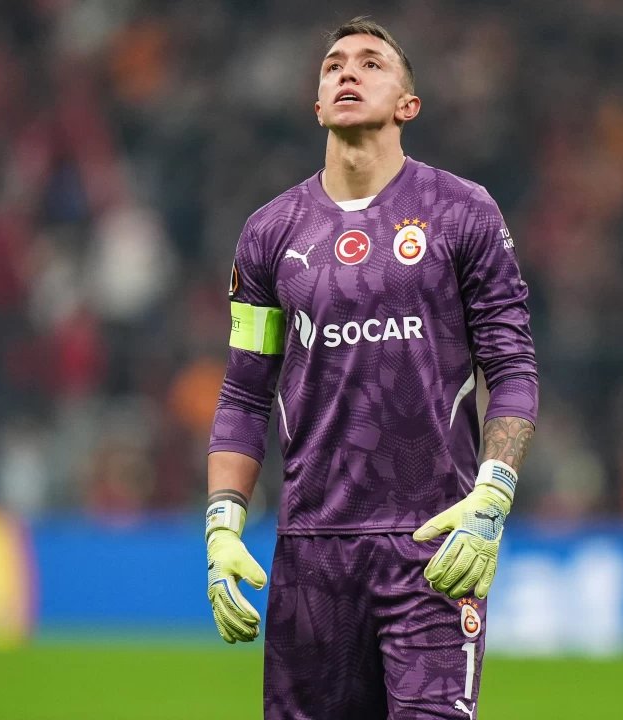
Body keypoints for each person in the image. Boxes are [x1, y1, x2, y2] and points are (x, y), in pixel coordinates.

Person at [203, 17, 538, 719]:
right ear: (317, 105)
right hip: (311, 554)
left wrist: (493, 496)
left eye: (370, 63)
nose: (347, 72)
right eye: (333, 66)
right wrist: (222, 527)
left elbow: (511, 368)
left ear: (408, 105)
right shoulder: (270, 233)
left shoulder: (462, 213)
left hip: (432, 544)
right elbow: (244, 393)